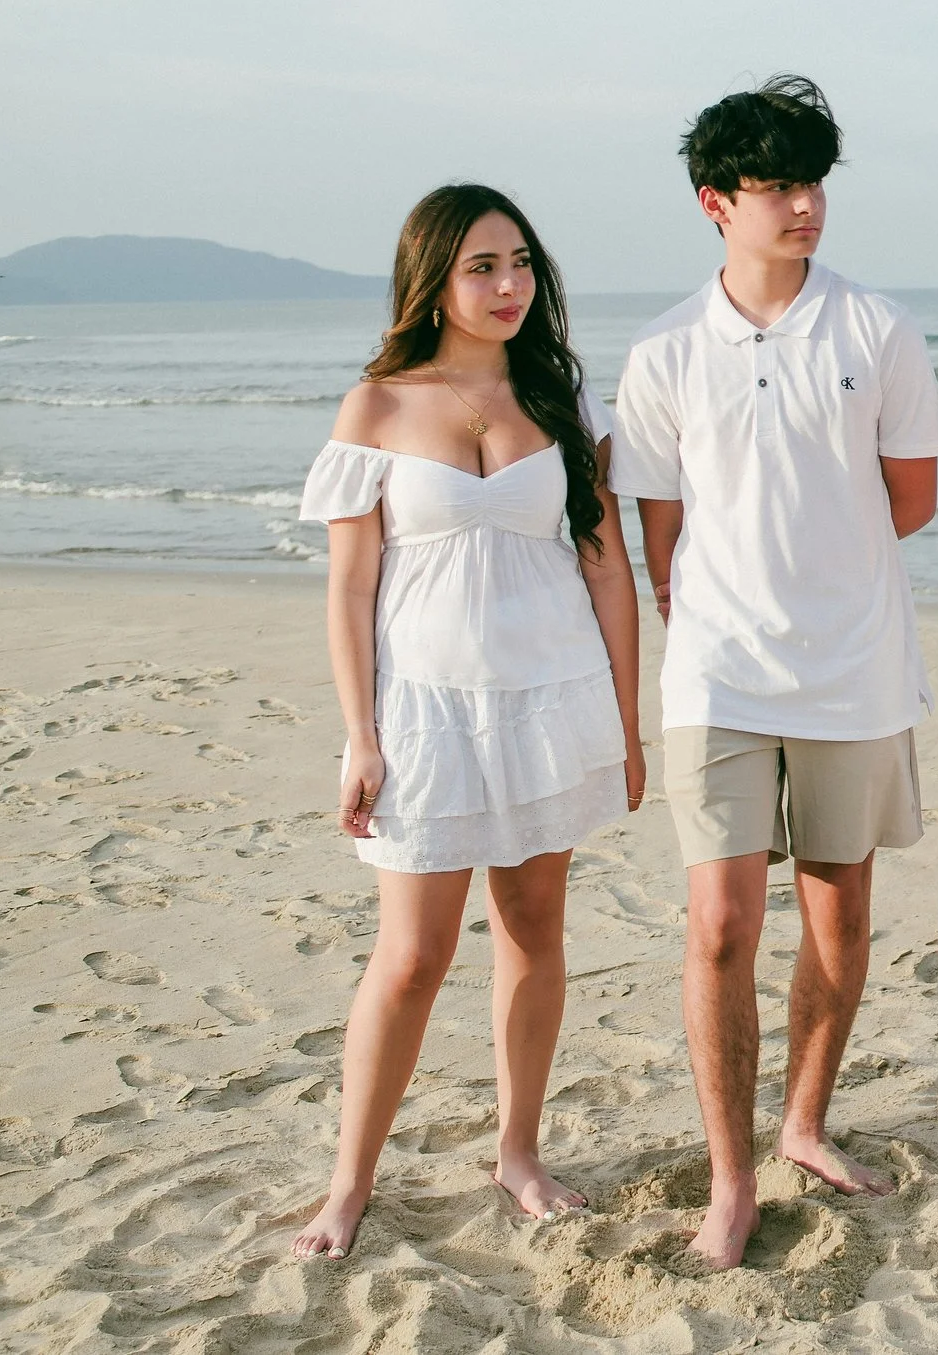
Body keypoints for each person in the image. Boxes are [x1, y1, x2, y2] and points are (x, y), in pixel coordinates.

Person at [610, 75, 938, 1269]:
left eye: (813, 183)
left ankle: (804, 1121)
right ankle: (730, 1177)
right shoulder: (660, 351)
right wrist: (724, 603)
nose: (803, 205)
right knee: (718, 927)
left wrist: (816, 572)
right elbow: (658, 529)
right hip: (717, 674)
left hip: (852, 666)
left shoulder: (879, 330)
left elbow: (911, 500)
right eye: (775, 187)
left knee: (841, 920)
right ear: (715, 203)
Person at [291, 185, 645, 1259]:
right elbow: (351, 589)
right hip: (427, 711)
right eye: (482, 265)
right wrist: (361, 733)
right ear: (433, 277)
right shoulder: (380, 405)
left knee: (537, 932)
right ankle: (349, 1182)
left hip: (554, 697)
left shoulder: (563, 394)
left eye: (522, 263)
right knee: (413, 953)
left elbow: (608, 568)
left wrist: (627, 720)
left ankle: (519, 1150)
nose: (508, 286)